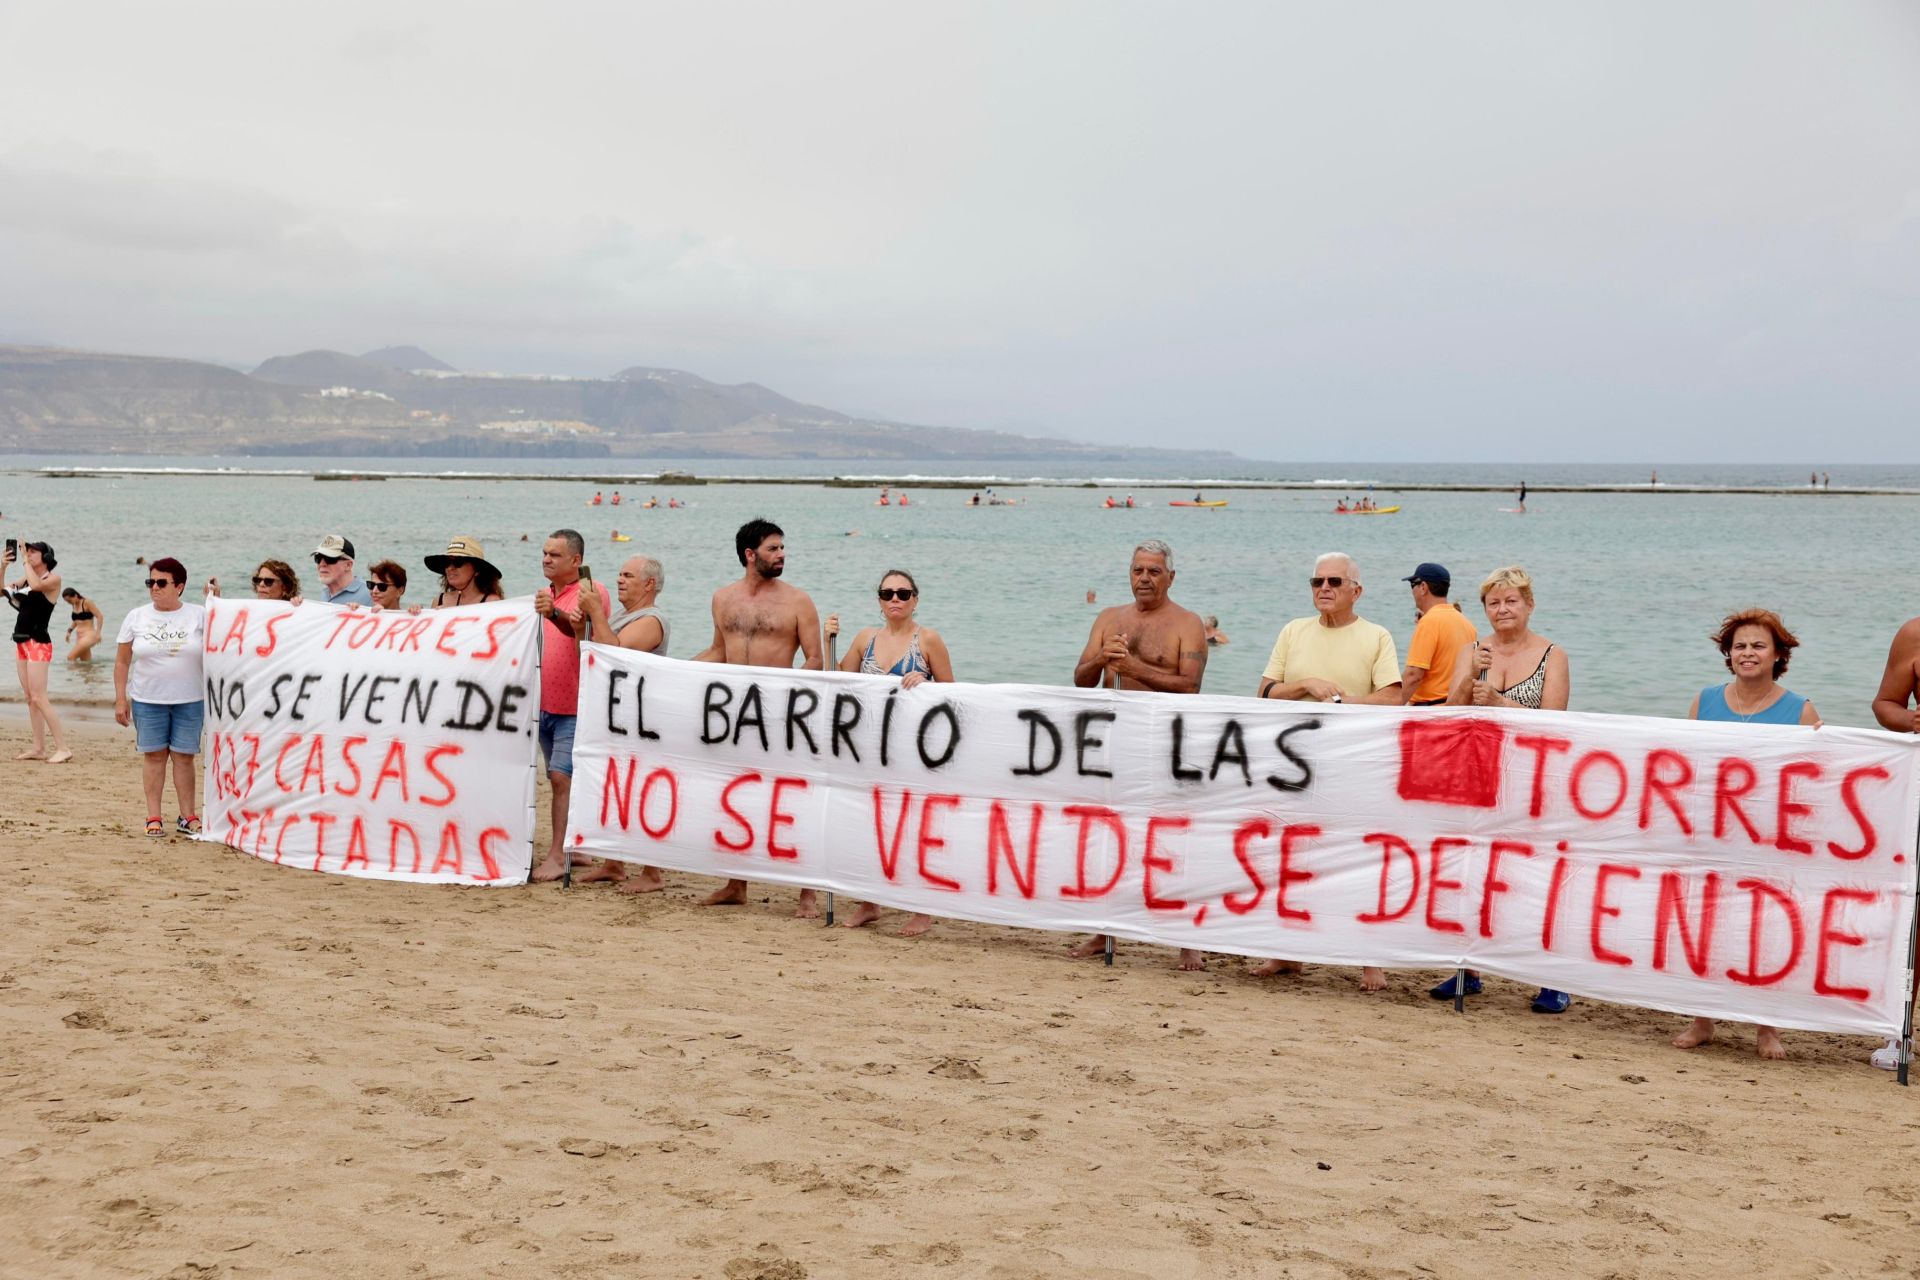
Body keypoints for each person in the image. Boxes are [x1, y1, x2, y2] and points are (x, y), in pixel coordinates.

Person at [1668, 609, 1819, 1060]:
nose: (1747, 653)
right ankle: (1702, 1020)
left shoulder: (1800, 709)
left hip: (1769, 838)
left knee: (1766, 931)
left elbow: (1815, 780)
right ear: (1728, 655)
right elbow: (1686, 764)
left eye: (1758, 646)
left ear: (1778, 656)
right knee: (1706, 926)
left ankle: (1767, 1028)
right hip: (1713, 832)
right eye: (1739, 646)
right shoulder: (1705, 700)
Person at [1253, 552, 1401, 988]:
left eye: (1335, 581)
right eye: (1316, 581)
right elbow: (1264, 692)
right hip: (1291, 767)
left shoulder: (1376, 636)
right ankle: (1286, 954)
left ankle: (1369, 959)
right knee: (1289, 856)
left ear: (1357, 590)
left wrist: (1339, 705)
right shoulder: (1293, 631)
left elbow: (1393, 699)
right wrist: (1306, 685)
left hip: (1351, 766)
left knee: (1357, 858)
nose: (1324, 588)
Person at [1435, 565, 1572, 1012]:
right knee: (1470, 871)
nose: (1503, 609)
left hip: (1533, 782)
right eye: (1494, 602)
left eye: (1511, 600)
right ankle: (1467, 970)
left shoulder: (1553, 655)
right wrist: (1466, 677)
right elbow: (1449, 715)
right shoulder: (1473, 650)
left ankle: (1550, 978)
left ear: (1529, 605)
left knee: (1534, 879)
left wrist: (1501, 703)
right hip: (1477, 777)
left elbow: (1555, 723)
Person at [1072, 539, 1209, 968]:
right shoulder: (1109, 618)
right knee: (1111, 835)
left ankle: (1187, 937)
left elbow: (1191, 685)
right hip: (1115, 741)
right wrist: (1102, 658)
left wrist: (1134, 669)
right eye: (1137, 570)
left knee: (1171, 837)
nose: (1144, 578)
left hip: (1167, 741)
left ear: (1171, 576)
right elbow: (1081, 680)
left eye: (1153, 571)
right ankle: (1104, 930)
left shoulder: (1188, 623)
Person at [689, 518, 825, 915]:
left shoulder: (798, 601)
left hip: (780, 715)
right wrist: (675, 673)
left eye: (782, 547)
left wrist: (787, 698)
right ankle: (736, 885)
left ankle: (808, 894)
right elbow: (718, 650)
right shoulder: (722, 598)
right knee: (736, 798)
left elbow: (814, 658)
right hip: (735, 713)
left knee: (793, 800)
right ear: (750, 555)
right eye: (773, 549)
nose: (782, 555)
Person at [825, 569, 958, 938]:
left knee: (914, 827)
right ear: (879, 601)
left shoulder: (928, 639)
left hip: (914, 750)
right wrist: (828, 640)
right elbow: (835, 682)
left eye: (903, 593)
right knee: (869, 825)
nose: (895, 599)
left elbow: (954, 696)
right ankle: (870, 902)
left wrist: (927, 684)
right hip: (870, 746)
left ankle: (921, 909)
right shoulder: (865, 638)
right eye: (887, 594)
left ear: (916, 598)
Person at [575, 553, 672, 894]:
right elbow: (590, 651)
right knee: (615, 788)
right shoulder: (622, 615)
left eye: (628, 575)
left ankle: (652, 872)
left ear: (649, 584)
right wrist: (580, 623)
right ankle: (613, 863)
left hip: (641, 718)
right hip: (615, 715)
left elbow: (615, 654)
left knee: (644, 792)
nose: (620, 580)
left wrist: (596, 614)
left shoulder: (653, 619)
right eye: (619, 573)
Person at [530, 530, 612, 884]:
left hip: (576, 704)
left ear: (575, 561)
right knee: (560, 778)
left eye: (555, 555)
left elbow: (581, 632)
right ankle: (577, 847)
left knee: (562, 779)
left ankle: (556, 855)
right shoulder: (548, 594)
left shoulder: (590, 591)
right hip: (546, 703)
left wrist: (553, 616)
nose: (547, 559)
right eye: (545, 553)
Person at [112, 557, 206, 835]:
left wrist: (219, 601)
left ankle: (187, 816)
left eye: (161, 582)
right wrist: (120, 698)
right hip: (147, 699)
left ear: (179, 586)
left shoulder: (199, 614)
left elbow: (229, 637)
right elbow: (121, 661)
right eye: (150, 582)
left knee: (184, 757)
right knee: (154, 756)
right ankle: (154, 816)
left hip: (190, 698)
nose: (154, 587)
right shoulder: (136, 616)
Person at [1870, 614, 1920, 1071]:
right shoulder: (1914, 632)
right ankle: (1899, 1032)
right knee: (1916, 914)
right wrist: (1911, 719)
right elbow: (1886, 703)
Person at [5, 539, 71, 763]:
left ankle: (63, 748)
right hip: (21, 642)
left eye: (33, 552)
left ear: (46, 557)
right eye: (28, 551)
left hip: (39, 643)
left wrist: (23, 560)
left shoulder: (53, 579)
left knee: (39, 697)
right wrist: (3, 566)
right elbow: (1, 592)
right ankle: (39, 748)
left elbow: (37, 587)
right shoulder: (26, 577)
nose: (29, 554)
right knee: (30, 698)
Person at [1400, 563, 1476, 706]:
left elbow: (1413, 675)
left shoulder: (1428, 622)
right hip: (1456, 708)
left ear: (1423, 587)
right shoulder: (1467, 624)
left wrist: (1388, 709)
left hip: (1429, 713)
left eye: (1412, 585)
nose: (1412, 591)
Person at [425, 537, 504, 607]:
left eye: (458, 562)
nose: (449, 568)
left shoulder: (491, 602)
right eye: (446, 562)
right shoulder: (439, 601)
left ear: (477, 569)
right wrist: (416, 614)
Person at [312, 534, 372, 606]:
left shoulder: (370, 594)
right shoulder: (325, 594)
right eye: (318, 558)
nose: (322, 564)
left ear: (348, 565)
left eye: (330, 559)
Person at [61, 586, 105, 661]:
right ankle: (93, 672)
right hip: (79, 636)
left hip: (89, 635)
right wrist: (69, 631)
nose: (69, 603)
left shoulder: (87, 602)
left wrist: (98, 633)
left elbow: (99, 616)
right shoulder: (74, 605)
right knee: (85, 663)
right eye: (67, 602)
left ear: (75, 595)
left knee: (71, 657)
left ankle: (69, 672)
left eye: (69, 601)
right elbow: (76, 621)